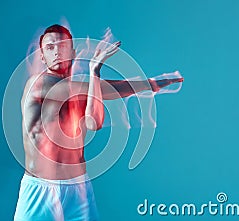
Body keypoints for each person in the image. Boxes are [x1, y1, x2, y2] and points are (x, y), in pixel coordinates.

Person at [13, 24, 183, 221]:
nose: (57, 52)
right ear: (42, 56)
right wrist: (148, 85)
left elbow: (95, 122)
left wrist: (96, 73)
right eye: (50, 48)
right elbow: (101, 89)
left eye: (62, 46)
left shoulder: (85, 89)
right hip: (40, 190)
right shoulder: (38, 83)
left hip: (78, 189)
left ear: (73, 52)